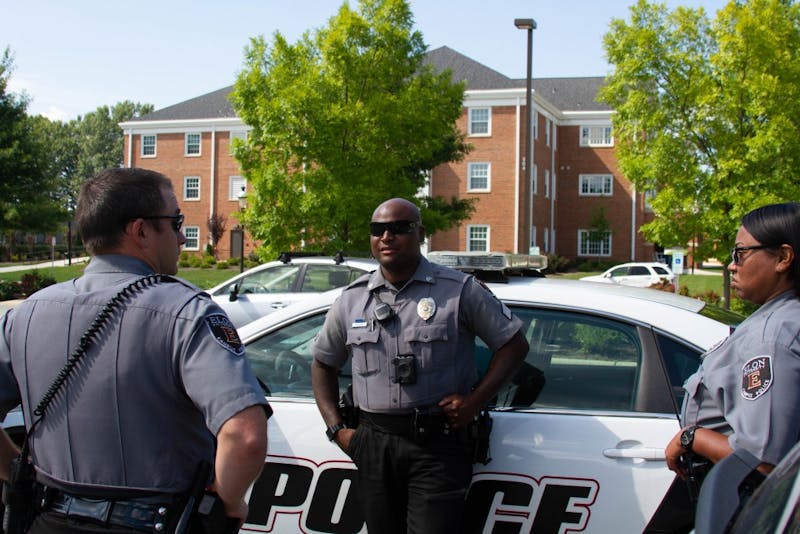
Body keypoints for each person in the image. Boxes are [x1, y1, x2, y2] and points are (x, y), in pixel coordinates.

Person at [0, 167, 270, 533]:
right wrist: (230, 499)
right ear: (140, 231)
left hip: (47, 518)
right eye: (175, 222)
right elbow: (245, 434)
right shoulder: (187, 311)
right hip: (156, 521)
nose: (179, 236)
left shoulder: (26, 313)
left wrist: (17, 469)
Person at [311, 197, 529, 534]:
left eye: (399, 228)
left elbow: (513, 345)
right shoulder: (351, 299)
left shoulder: (459, 291)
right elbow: (323, 364)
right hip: (373, 443)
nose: (387, 236)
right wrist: (338, 430)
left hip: (437, 446)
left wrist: (474, 402)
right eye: (378, 229)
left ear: (420, 233)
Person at [661, 202, 800, 531]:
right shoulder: (781, 318)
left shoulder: (771, 339)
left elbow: (764, 461)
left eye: (740, 253)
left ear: (783, 258)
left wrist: (692, 438)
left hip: (743, 509)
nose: (730, 265)